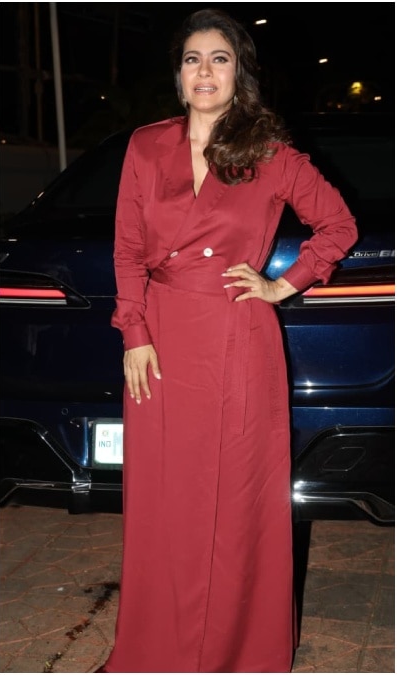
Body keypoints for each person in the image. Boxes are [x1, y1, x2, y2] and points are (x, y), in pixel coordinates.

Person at [104, 8, 358, 673]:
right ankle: (161, 647)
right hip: (159, 338)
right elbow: (127, 248)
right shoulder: (146, 146)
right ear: (178, 73)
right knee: (166, 497)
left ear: (239, 71)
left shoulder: (269, 151)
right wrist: (134, 331)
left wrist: (283, 284)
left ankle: (236, 649)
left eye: (220, 58)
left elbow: (338, 225)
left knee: (237, 497)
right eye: (193, 58)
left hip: (236, 336)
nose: (205, 71)